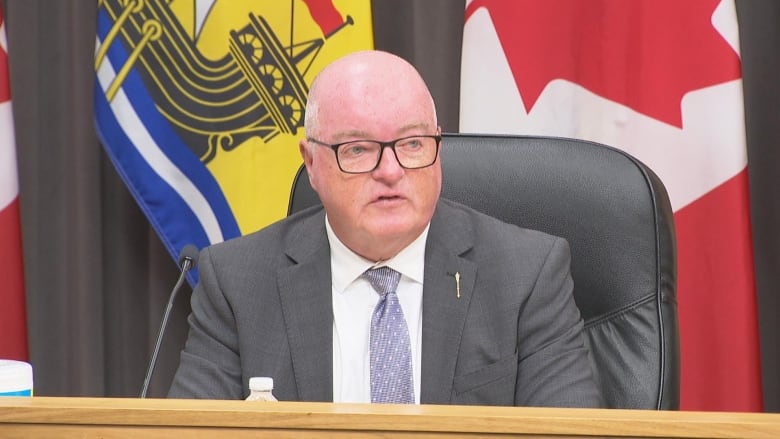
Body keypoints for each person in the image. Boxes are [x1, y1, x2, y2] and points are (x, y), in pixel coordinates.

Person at [168, 50, 602, 407]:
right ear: (312, 163)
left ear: (438, 146)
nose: (391, 171)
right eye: (358, 149)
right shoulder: (238, 283)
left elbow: (574, 435)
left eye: (413, 144)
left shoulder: (526, 275)